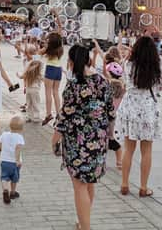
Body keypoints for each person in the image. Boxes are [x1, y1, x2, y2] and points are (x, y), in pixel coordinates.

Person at [51, 45, 115, 230]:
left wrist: (54, 140)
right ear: (88, 59)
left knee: (79, 185)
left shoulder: (74, 85)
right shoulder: (102, 81)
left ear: (71, 62)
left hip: (77, 141)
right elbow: (111, 112)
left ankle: (85, 226)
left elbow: (64, 117)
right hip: (99, 138)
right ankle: (82, 221)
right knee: (89, 182)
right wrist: (109, 136)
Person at [116, 35, 162, 198]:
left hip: (130, 107)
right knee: (146, 150)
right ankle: (143, 187)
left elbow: (124, 81)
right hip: (148, 108)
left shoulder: (128, 64)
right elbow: (160, 87)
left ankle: (124, 184)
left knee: (128, 148)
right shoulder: (157, 67)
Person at [0, 116, 25, 204]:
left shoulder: (4, 134)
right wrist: (17, 160)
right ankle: (12, 192)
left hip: (4, 161)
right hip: (14, 163)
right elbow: (18, 148)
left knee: (4, 177)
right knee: (14, 178)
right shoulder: (19, 137)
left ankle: (5, 189)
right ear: (22, 129)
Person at [39, 32, 64, 126]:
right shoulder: (60, 49)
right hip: (58, 69)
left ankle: (48, 114)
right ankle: (58, 113)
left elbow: (37, 53)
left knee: (48, 92)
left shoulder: (47, 49)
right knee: (56, 92)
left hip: (50, 68)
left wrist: (44, 45)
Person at [18, 56, 43, 123]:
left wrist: (17, 74)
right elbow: (44, 80)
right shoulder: (38, 74)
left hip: (28, 90)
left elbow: (21, 77)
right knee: (36, 103)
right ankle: (36, 117)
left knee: (29, 104)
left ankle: (29, 117)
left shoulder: (27, 73)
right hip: (35, 90)